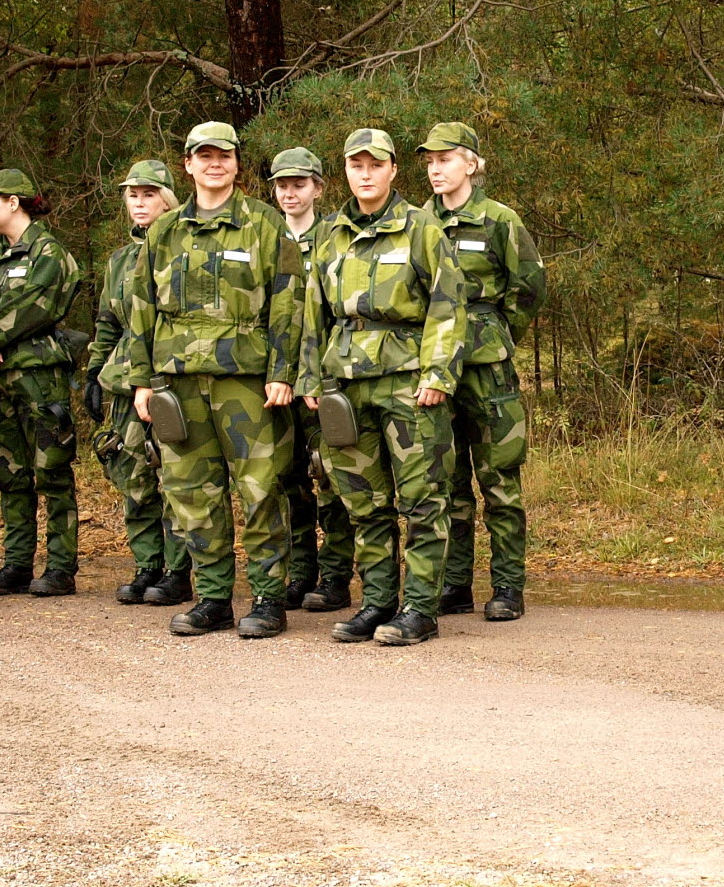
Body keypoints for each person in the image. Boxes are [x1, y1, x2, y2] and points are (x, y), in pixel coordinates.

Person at [124, 121, 302, 638]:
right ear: (187, 164)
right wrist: (141, 381)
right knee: (191, 493)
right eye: (203, 155)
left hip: (245, 381)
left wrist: (283, 372)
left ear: (237, 163)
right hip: (178, 383)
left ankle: (269, 598)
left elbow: (290, 303)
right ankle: (214, 597)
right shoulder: (165, 231)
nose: (213, 163)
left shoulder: (265, 225)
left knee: (261, 490)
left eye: (223, 154)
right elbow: (140, 308)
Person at [299, 127, 467, 647]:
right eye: (356, 166)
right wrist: (310, 375)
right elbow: (312, 310)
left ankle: (419, 606)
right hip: (346, 385)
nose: (365, 174)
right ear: (345, 172)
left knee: (421, 498)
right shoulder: (331, 233)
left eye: (375, 165)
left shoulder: (420, 228)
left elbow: (448, 304)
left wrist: (438, 374)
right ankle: (377, 601)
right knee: (363, 501)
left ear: (393, 170)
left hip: (407, 383)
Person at [421, 122, 546, 621]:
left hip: (486, 370)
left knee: (499, 481)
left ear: (471, 164)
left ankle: (509, 587)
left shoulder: (499, 220)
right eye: (429, 161)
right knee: (446, 482)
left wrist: (494, 333)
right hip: (433, 367)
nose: (435, 169)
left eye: (446, 159)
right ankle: (454, 586)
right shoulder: (416, 223)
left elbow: (529, 287)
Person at [0, 168, 83, 598]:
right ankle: (16, 562)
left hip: (37, 377)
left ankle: (59, 567)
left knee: (51, 470)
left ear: (13, 202)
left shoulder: (48, 252)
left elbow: (37, 305)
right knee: (8, 472)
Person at [89, 159, 192, 606]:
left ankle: (178, 568)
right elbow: (108, 321)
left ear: (167, 198)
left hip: (169, 377)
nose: (139, 202)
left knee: (173, 473)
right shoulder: (120, 260)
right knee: (131, 470)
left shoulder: (183, 246)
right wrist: (95, 373)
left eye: (149, 194)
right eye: (133, 194)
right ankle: (147, 562)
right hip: (124, 380)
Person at [268, 146, 357, 612]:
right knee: (287, 481)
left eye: (299, 184)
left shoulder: (333, 237)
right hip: (274, 380)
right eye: (282, 185)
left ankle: (337, 576)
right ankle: (300, 572)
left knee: (332, 478)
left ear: (318, 188)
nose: (290, 193)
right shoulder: (265, 237)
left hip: (324, 379)